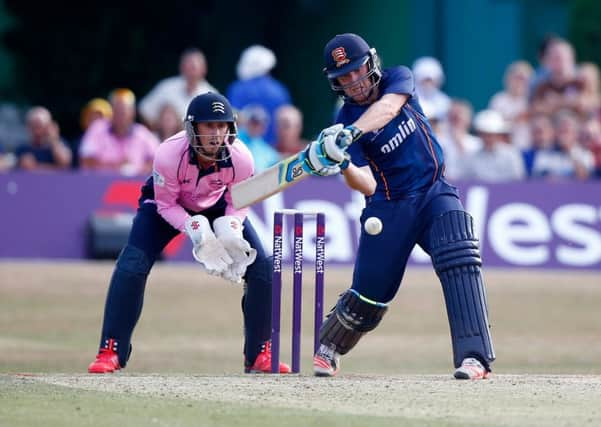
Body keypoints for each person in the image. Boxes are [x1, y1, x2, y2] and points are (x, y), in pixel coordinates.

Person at [303, 33, 495, 379]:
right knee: (369, 297)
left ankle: (474, 358)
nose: (354, 82)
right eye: (343, 78)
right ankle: (329, 346)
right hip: (389, 207)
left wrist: (349, 135)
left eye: (357, 71)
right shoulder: (344, 121)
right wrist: (342, 163)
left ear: (371, 64)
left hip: (434, 191)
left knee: (461, 256)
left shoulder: (397, 78)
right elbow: (367, 183)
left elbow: (388, 108)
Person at [87, 92, 291, 375]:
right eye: (209, 126)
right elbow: (166, 204)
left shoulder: (242, 157)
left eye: (222, 126)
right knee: (131, 265)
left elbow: (238, 201)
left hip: (217, 204)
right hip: (168, 205)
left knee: (263, 266)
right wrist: (195, 228)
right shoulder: (169, 153)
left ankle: (259, 355)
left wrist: (231, 226)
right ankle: (110, 350)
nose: (217, 134)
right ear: (193, 128)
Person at [79, 89, 160, 176]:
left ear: (132, 113)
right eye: (117, 110)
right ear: (112, 111)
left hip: (135, 185)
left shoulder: (142, 133)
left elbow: (159, 161)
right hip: (99, 185)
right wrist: (115, 166)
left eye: (124, 111)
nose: (121, 115)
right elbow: (85, 161)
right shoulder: (97, 129)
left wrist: (138, 169)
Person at [226, 45, 292, 146]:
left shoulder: (237, 89)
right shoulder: (280, 90)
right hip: (272, 151)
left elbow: (231, 122)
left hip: (240, 147)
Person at [139, 48, 218, 129]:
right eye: (188, 67)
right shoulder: (166, 87)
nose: (191, 72)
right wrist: (160, 129)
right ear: (181, 67)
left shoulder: (212, 96)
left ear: (204, 69)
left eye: (193, 68)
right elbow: (144, 109)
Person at [15, 106, 72, 171]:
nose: (36, 131)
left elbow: (65, 164)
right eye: (33, 125)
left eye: (39, 125)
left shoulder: (59, 144)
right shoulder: (23, 149)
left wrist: (54, 139)